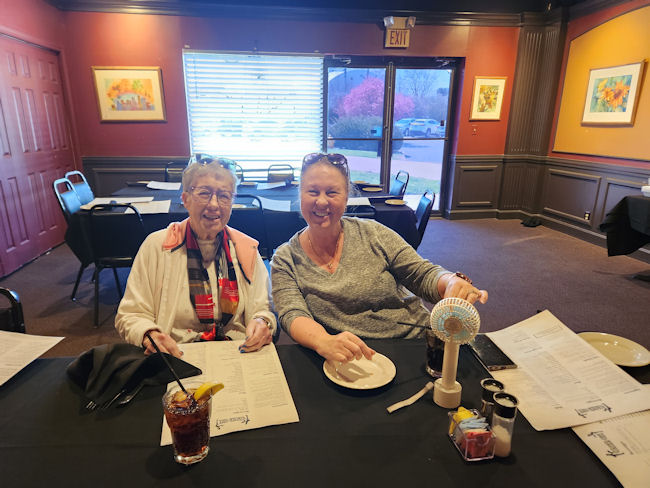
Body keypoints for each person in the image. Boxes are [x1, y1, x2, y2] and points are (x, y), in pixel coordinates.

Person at [271, 153, 487, 363]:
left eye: (332, 192)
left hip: (413, 344)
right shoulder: (285, 258)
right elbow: (292, 313)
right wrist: (323, 340)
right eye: (312, 191)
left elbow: (420, 274)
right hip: (348, 357)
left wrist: (449, 281)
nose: (321, 201)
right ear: (300, 195)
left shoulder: (373, 233)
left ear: (346, 197)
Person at [115, 158, 275, 358]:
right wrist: (149, 334)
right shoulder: (156, 246)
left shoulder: (245, 248)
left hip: (237, 352)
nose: (214, 205)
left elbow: (264, 308)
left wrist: (262, 322)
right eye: (204, 194)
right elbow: (131, 314)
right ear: (186, 199)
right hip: (177, 353)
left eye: (224, 196)